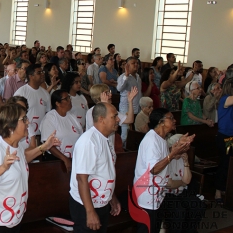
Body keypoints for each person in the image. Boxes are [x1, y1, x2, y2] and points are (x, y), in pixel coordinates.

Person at [0, 104, 58, 231]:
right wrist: (3, 167)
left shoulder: (16, 145)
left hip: (14, 219)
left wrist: (44, 147)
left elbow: (22, 159)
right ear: (10, 126)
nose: (28, 122)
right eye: (24, 119)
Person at [133, 108, 193, 233]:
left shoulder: (161, 139)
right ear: (161, 122)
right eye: (170, 118)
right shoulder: (151, 140)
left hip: (157, 195)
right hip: (146, 195)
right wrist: (172, 154)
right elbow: (154, 169)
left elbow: (163, 158)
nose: (174, 120)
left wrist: (177, 148)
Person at [69, 103, 122, 233]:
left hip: (100, 202)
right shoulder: (89, 142)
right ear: (101, 119)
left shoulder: (105, 138)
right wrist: (90, 211)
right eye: (114, 116)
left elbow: (105, 172)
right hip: (86, 205)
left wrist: (112, 197)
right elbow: (82, 178)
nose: (118, 119)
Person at [161, 134, 206, 233]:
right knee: (178, 211)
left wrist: (186, 163)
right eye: (180, 150)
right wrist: (182, 182)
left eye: (184, 150)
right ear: (173, 147)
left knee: (198, 205)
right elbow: (169, 184)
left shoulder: (182, 158)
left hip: (180, 192)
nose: (182, 153)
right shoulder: (164, 159)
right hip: (166, 194)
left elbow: (188, 180)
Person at [41, 90, 83, 172]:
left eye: (69, 97)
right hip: (57, 161)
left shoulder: (72, 116)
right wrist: (65, 159)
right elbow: (48, 145)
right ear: (57, 103)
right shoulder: (50, 118)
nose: (70, 100)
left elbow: (81, 136)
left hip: (74, 159)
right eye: (66, 98)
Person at [14, 64, 51, 146]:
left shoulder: (45, 94)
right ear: (31, 76)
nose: (42, 74)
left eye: (42, 72)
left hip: (41, 134)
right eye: (39, 72)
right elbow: (15, 115)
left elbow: (48, 114)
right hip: (25, 136)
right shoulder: (21, 92)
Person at [214, 78, 233, 204]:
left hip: (231, 137)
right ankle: (218, 192)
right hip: (225, 137)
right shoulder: (225, 99)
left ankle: (227, 189)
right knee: (225, 164)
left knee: (230, 165)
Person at [117, 57, 142, 146]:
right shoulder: (122, 77)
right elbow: (119, 88)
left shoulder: (138, 77)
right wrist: (126, 76)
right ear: (127, 65)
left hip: (136, 108)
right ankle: (123, 150)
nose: (136, 64)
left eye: (137, 63)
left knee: (133, 133)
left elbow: (139, 93)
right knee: (125, 134)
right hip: (126, 108)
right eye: (133, 63)